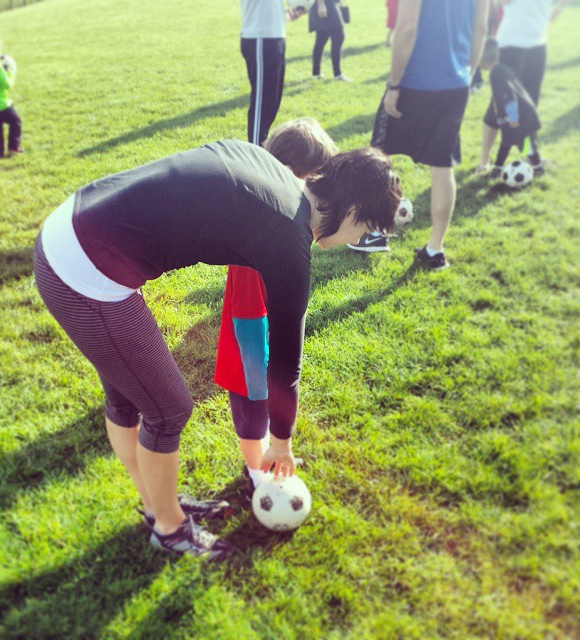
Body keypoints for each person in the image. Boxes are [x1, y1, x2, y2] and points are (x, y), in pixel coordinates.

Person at [33, 139, 402, 561]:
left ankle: (157, 505)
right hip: (82, 272)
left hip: (69, 226)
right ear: (353, 213)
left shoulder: (269, 167)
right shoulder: (289, 241)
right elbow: (285, 367)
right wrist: (280, 442)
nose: (359, 238)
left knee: (128, 394)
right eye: (366, 230)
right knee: (169, 409)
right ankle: (170, 530)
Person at [214, 119, 338, 499]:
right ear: (287, 175)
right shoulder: (266, 230)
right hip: (250, 335)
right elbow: (249, 308)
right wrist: (258, 368)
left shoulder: (269, 212)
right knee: (253, 409)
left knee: (262, 406)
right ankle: (255, 470)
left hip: (259, 329)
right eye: (313, 184)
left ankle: (265, 453)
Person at [349, 0, 490, 270]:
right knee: (442, 165)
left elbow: (407, 28)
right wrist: (467, 74)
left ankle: (373, 233)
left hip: (413, 82)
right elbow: (481, 29)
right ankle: (435, 249)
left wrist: (394, 85)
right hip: (455, 84)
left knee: (378, 156)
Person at [478, 0, 570, 172]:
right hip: (511, 44)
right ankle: (484, 161)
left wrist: (559, 7)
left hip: (537, 46)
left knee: (528, 107)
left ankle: (531, 154)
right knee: (498, 104)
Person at [239, 0, 304, 145]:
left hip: (275, 36)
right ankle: (256, 150)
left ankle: (261, 146)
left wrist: (300, 7)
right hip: (260, 37)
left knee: (272, 100)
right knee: (262, 100)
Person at [476, 38, 542, 177]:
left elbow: (509, 95)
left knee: (519, 143)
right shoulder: (502, 68)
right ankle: (498, 169)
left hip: (518, 115)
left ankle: (536, 168)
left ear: (482, 60)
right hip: (520, 113)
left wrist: (512, 117)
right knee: (509, 141)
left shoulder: (496, 73)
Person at [309, 0, 351, 81]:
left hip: (327, 4)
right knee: (339, 36)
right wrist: (321, 5)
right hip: (326, 5)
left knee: (321, 38)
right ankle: (337, 74)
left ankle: (316, 73)